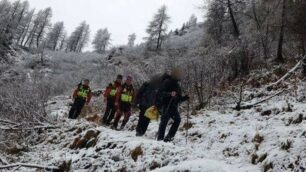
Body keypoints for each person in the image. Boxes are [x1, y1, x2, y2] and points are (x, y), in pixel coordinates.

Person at [157, 68, 189, 142]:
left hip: (173, 107)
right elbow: (160, 93)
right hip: (166, 105)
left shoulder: (177, 85)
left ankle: (169, 138)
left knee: (177, 120)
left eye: (179, 74)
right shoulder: (167, 82)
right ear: (173, 74)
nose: (179, 75)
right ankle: (160, 139)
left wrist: (186, 97)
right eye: (177, 74)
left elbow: (179, 98)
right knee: (164, 122)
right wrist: (170, 94)